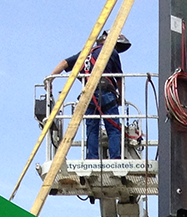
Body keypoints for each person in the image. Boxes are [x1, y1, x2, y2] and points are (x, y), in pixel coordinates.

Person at [49, 32, 130, 160]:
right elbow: (119, 78)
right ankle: (115, 158)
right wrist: (120, 97)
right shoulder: (110, 52)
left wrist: (50, 79)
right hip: (106, 93)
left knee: (92, 129)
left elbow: (65, 63)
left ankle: (92, 158)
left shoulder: (84, 54)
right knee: (114, 128)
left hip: (88, 96)